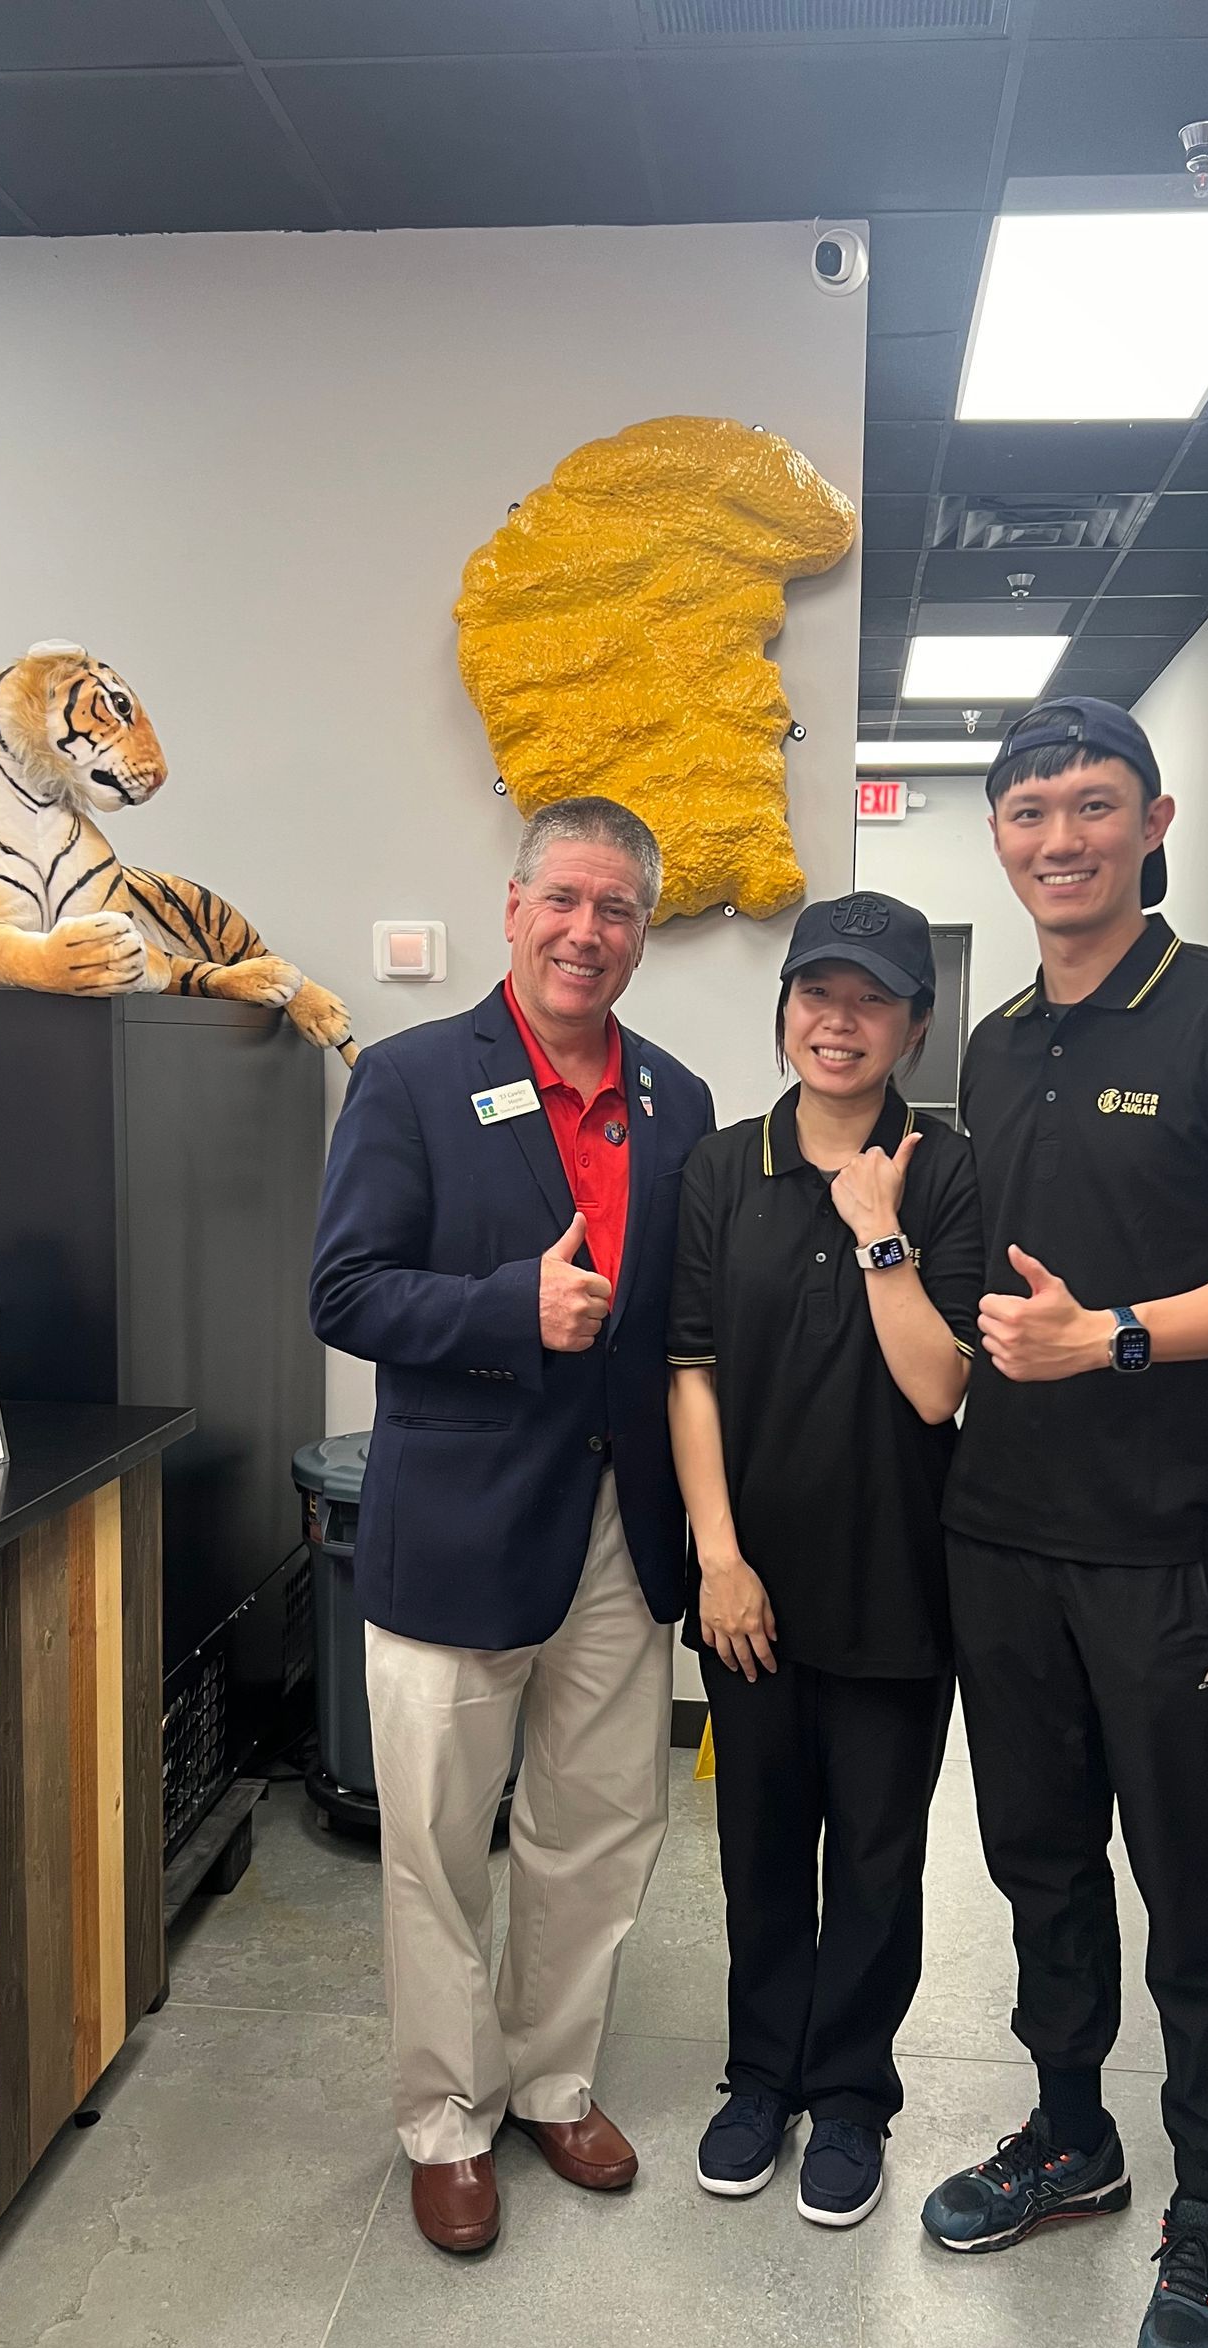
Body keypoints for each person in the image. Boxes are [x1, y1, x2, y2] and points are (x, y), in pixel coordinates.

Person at [919, 699, 1208, 2348]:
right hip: (1003, 1535)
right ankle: (1065, 2132)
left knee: (1188, 1875)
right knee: (1035, 1862)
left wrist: (1116, 1340)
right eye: (1028, 813)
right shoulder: (1003, 1037)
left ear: (1153, 820)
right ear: (1002, 840)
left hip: (1173, 1546)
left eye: (1092, 807)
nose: (1058, 839)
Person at [309, 797, 713, 2254]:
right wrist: (506, 1310)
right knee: (431, 1838)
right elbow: (344, 1294)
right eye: (566, 900)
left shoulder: (677, 1099)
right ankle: (443, 2116)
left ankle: (550, 2080)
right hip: (463, 1524)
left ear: (641, 934)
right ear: (514, 905)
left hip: (624, 1527)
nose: (586, 932)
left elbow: (683, 1327)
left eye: (617, 911)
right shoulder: (413, 1079)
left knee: (597, 1825)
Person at [668, 894, 984, 2229]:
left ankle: (851, 2093)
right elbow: (691, 1374)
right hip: (755, 1584)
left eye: (871, 1000)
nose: (836, 1021)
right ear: (786, 1005)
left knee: (874, 1850)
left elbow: (937, 1388)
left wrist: (878, 1229)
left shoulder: (949, 1167)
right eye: (817, 993)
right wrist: (717, 1560)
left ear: (913, 1022)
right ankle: (761, 2079)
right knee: (756, 1845)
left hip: (899, 1580)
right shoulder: (721, 1168)